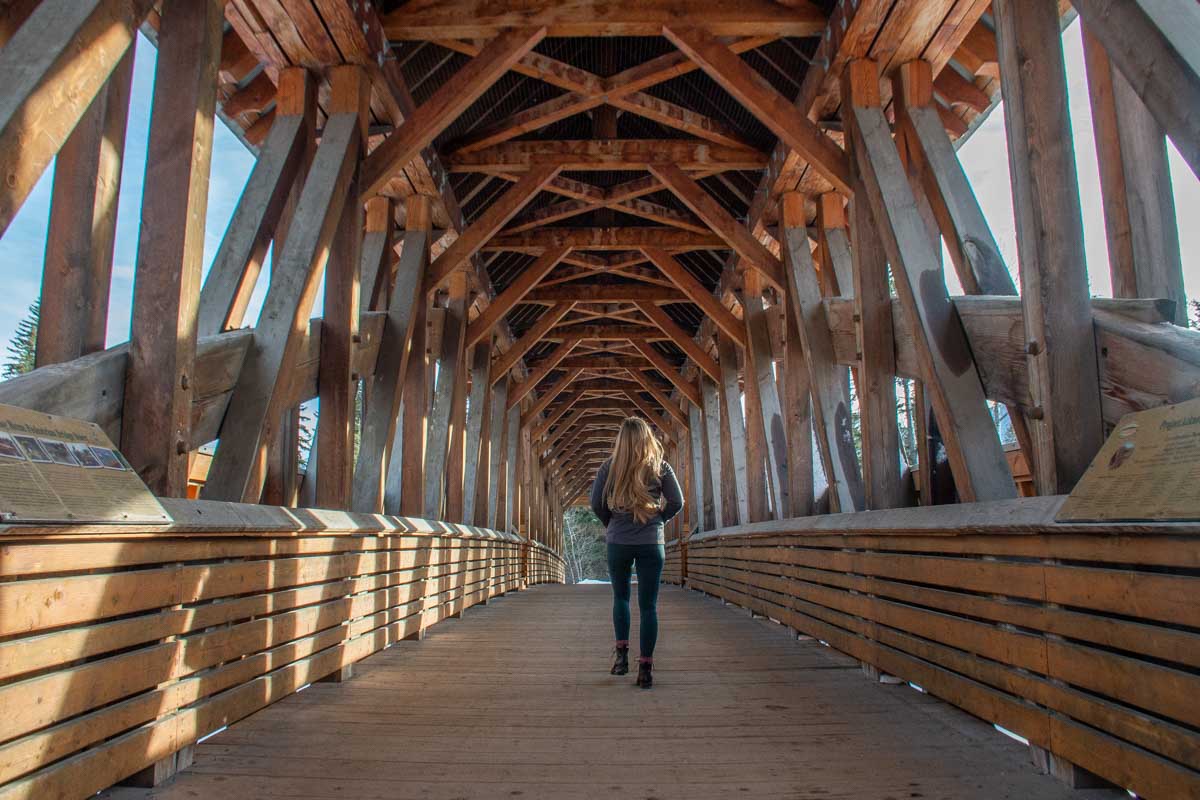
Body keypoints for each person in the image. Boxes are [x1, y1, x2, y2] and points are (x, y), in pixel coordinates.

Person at [589, 417, 683, 689]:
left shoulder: (609, 467)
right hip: (651, 542)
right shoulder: (660, 467)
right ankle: (645, 670)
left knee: (621, 598)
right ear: (647, 438)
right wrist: (659, 520)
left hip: (618, 541)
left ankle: (621, 660)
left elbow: (596, 503)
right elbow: (677, 501)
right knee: (648, 606)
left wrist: (612, 523)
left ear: (621, 440)